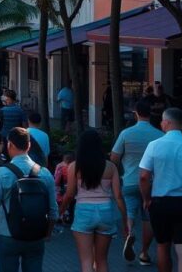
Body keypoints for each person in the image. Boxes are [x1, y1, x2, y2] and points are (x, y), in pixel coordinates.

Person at [0, 128, 58, 272]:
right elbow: (53, 211)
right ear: (29, 146)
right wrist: (47, 233)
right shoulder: (45, 173)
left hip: (8, 235)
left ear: (9, 145)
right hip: (36, 236)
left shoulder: (1, 173)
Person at [139, 107, 182, 272]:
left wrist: (146, 199)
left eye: (162, 121)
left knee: (163, 245)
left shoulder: (154, 146)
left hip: (160, 202)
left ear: (166, 123)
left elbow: (144, 176)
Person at [62, 130, 127, 272]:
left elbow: (69, 194)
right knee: (102, 260)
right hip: (106, 211)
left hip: (84, 211)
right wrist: (125, 220)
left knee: (86, 260)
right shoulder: (111, 167)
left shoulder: (74, 166)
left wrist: (60, 211)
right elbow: (118, 196)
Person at [109, 99, 163, 266]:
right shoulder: (159, 135)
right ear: (150, 114)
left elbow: (114, 158)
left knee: (130, 212)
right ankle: (144, 253)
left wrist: (119, 173)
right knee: (148, 218)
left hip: (130, 180)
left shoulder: (126, 134)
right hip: (152, 183)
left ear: (136, 114)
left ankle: (130, 233)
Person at [53, 152, 74, 226]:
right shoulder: (74, 166)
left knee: (60, 203)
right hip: (71, 187)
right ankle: (68, 217)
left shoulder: (60, 166)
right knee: (70, 203)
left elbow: (57, 180)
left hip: (61, 187)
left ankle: (60, 216)